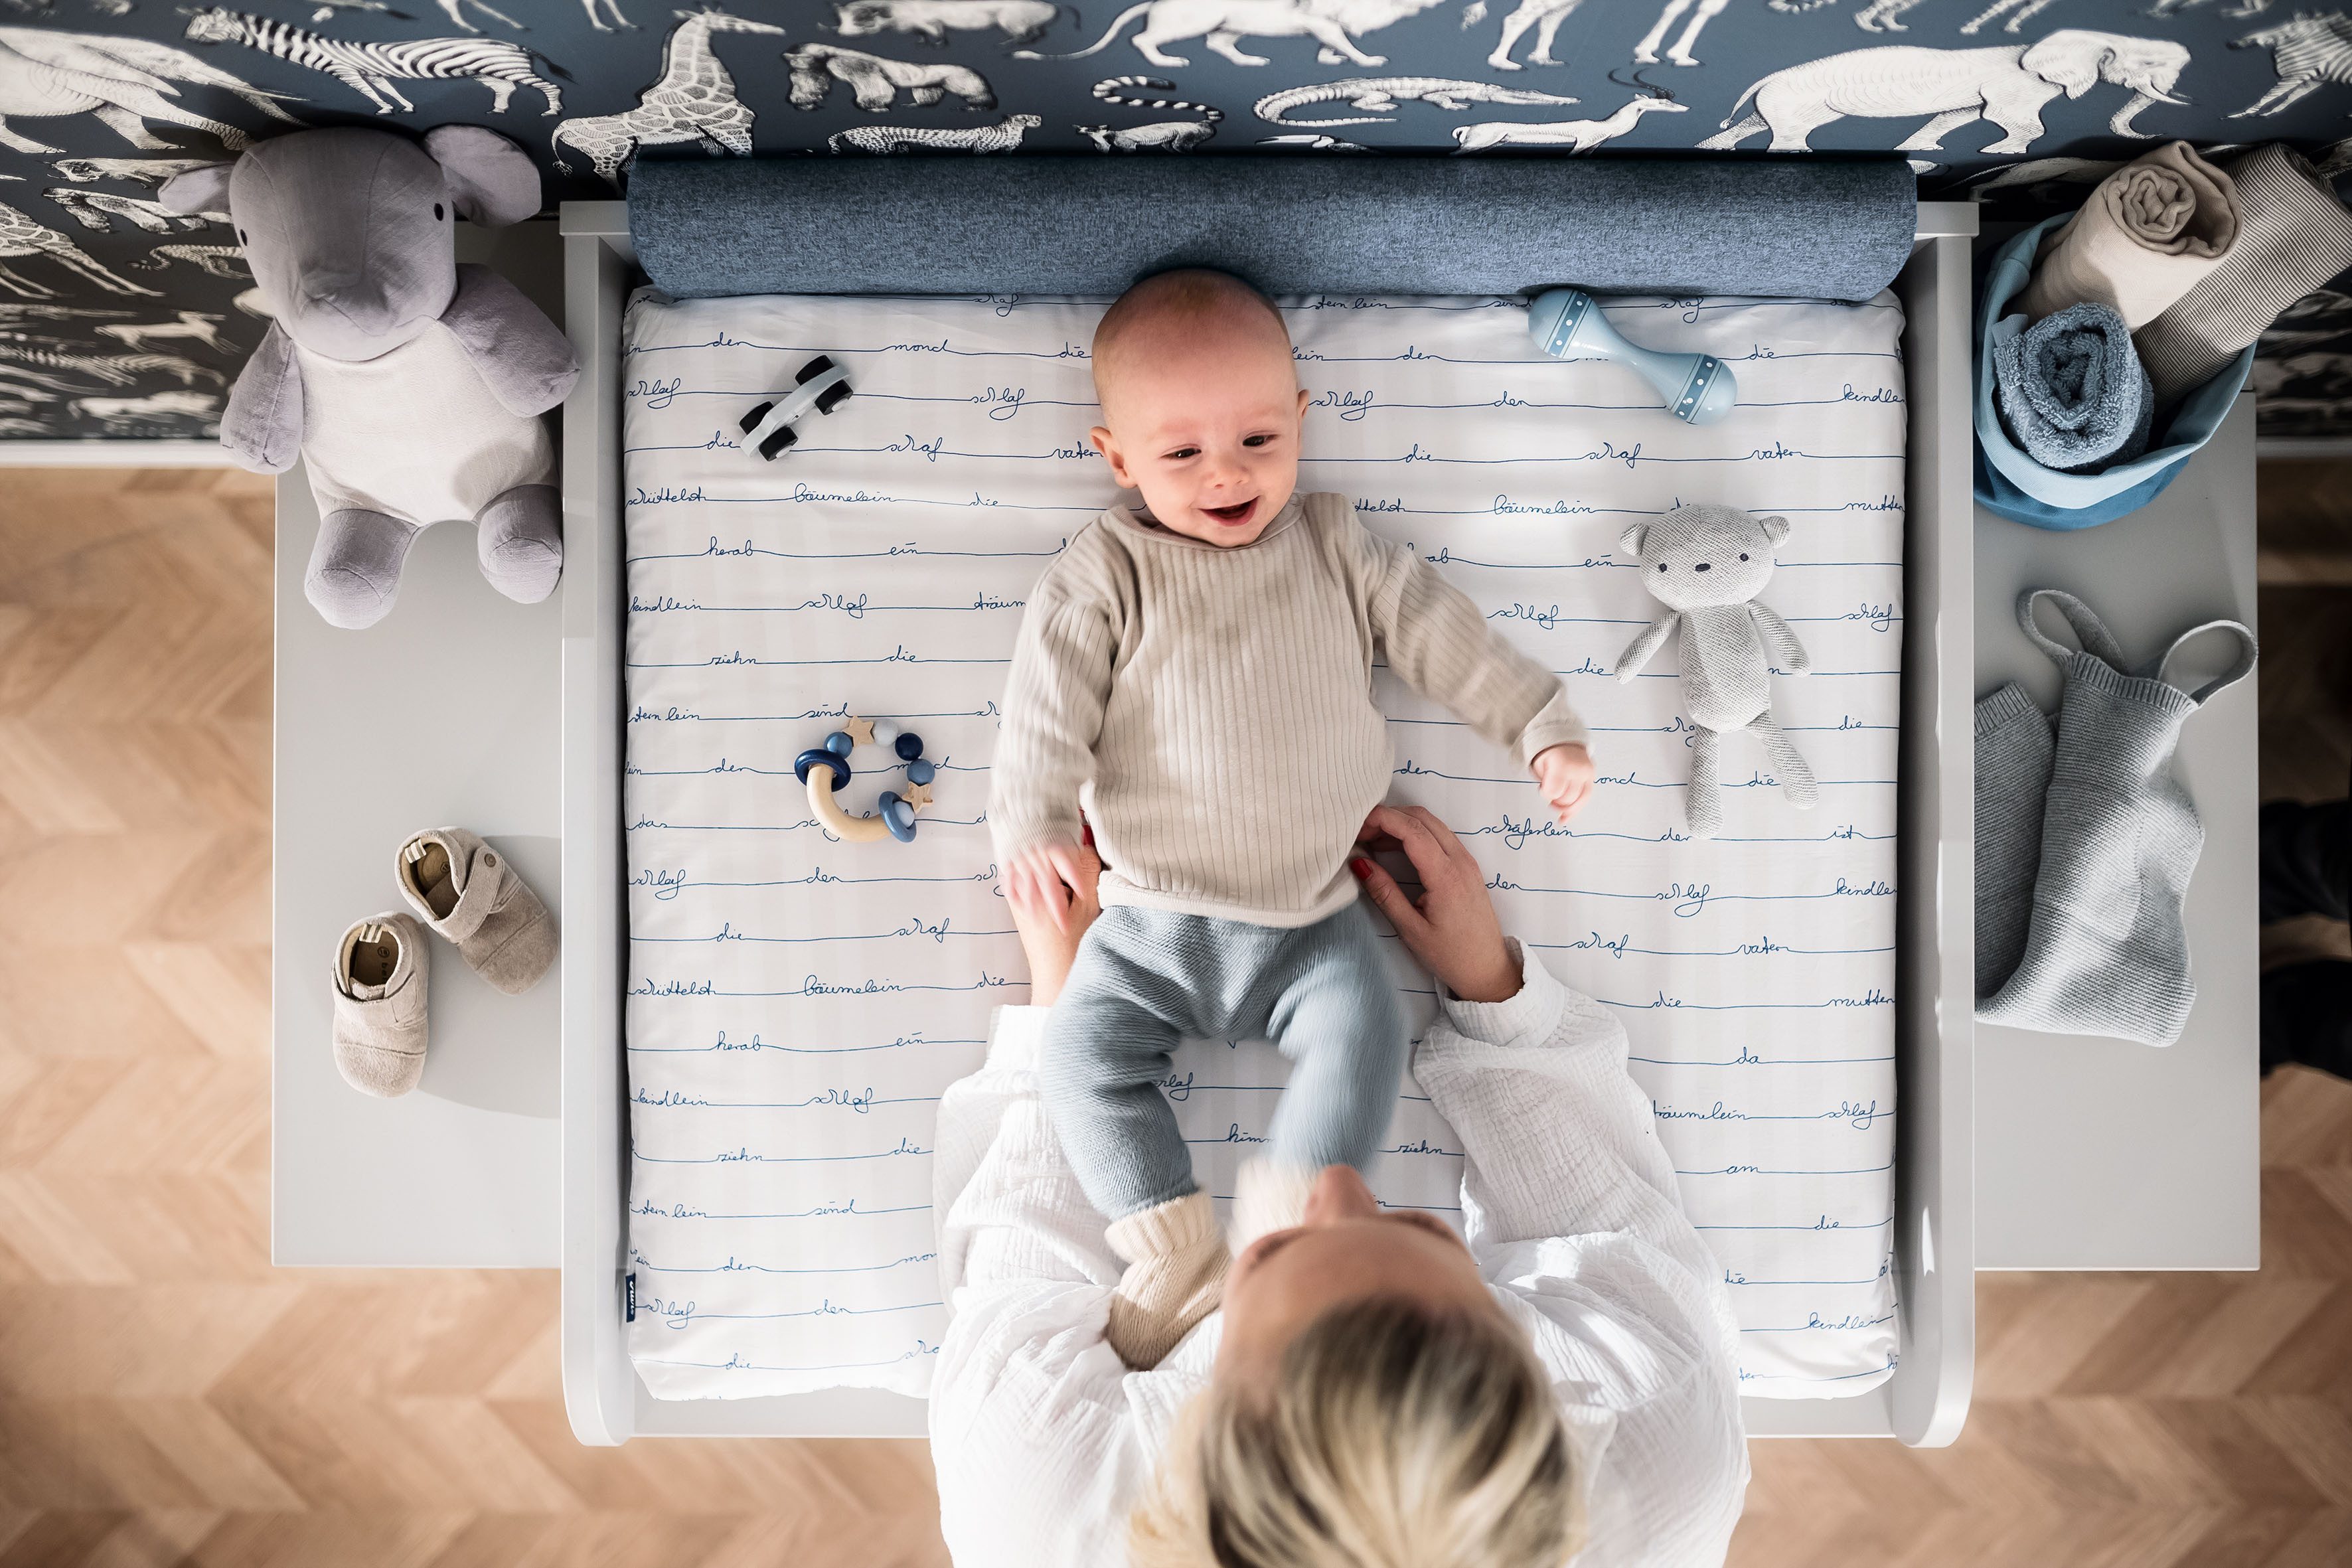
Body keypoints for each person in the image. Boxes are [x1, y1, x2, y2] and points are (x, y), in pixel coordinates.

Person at [988, 270, 1597, 1366]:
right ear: (1116, 457)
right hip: (1143, 923)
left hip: (1315, 920)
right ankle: (1167, 1240)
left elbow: (1444, 638)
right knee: (1075, 1058)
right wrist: (1030, 824)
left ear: (1303, 420)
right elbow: (1045, 714)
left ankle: (1288, 1230)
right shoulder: (1106, 570)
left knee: (1362, 1041)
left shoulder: (1335, 546)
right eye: (1179, 455)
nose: (1226, 472)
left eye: (1259, 438)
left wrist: (1537, 726)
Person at [930, 803, 1749, 1568]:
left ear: (1205, 1418)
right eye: (1420, 1229)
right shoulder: (1659, 1447)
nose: (1337, 1186)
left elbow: (1022, 1254)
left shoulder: (1030, 1499)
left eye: (1274, 1246)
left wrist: (1067, 998)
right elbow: (1600, 1215)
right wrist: (1491, 988)